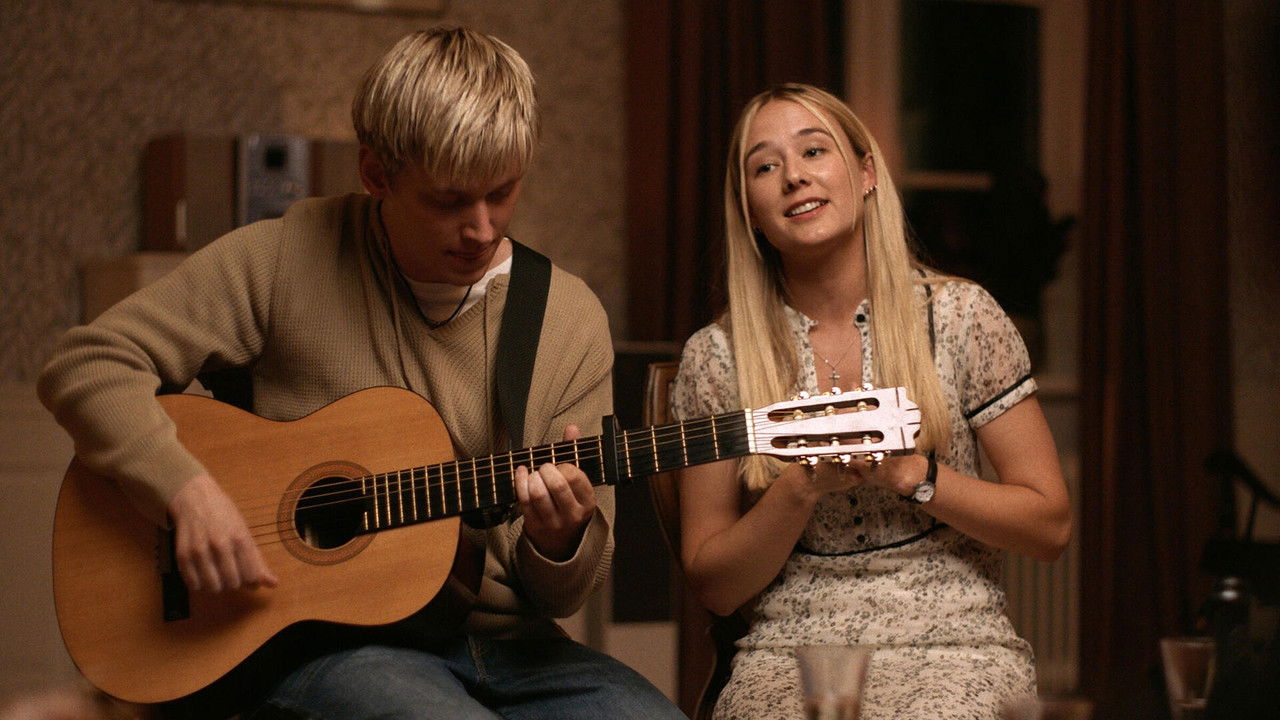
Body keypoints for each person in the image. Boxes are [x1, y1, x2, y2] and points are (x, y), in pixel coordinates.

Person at [38, 27, 684, 720]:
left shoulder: (566, 317)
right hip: (330, 645)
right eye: (448, 201)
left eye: (502, 192)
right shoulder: (284, 258)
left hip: (515, 647)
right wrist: (183, 491)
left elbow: (567, 594)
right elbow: (88, 364)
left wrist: (558, 542)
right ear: (377, 174)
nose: (481, 228)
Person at [670, 83, 1072, 719]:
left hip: (957, 646)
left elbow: (1049, 528)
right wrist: (798, 489)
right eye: (765, 167)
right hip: (789, 654)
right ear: (749, 211)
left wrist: (912, 474)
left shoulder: (962, 317)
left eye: (814, 151)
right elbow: (716, 587)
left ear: (864, 174)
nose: (793, 177)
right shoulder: (717, 357)